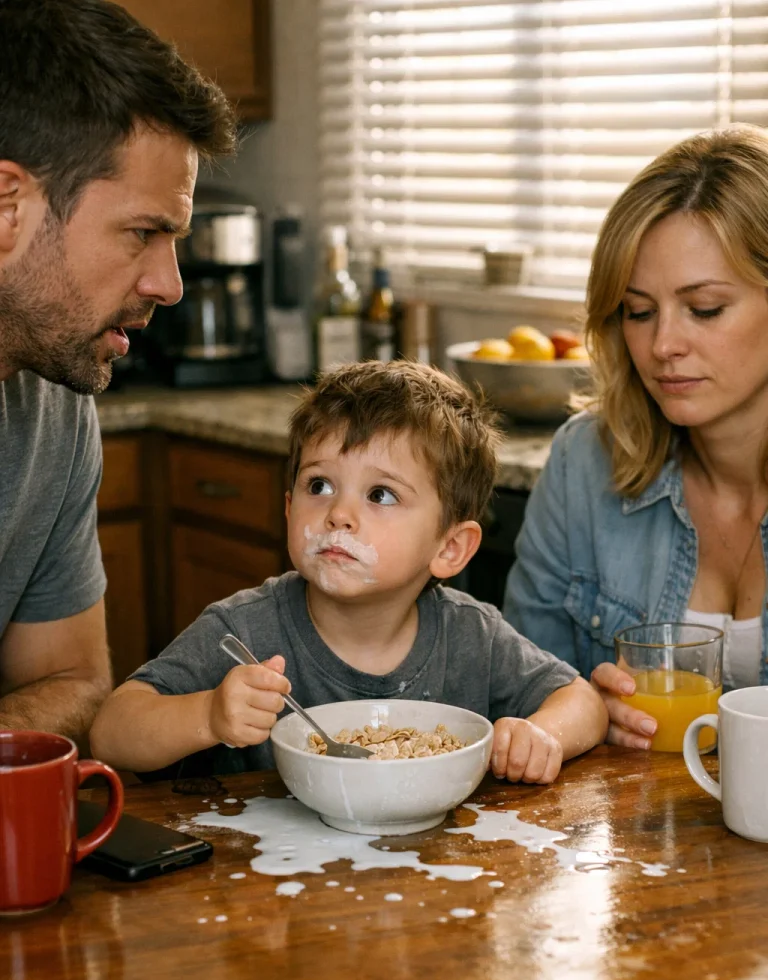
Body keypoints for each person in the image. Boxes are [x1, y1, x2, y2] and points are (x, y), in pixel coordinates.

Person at [90, 362, 608, 782]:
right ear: (289, 507)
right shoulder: (245, 631)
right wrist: (207, 716)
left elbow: (582, 700)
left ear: (451, 548)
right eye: (320, 485)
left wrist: (540, 736)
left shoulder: (472, 635)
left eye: (380, 494)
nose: (339, 513)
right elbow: (113, 732)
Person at [0, 0, 236, 744]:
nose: (171, 285)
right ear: (8, 208)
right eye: (143, 232)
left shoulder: (55, 406)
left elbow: (74, 685)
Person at [503, 123, 768, 749]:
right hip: (634, 837)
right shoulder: (584, 461)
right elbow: (514, 686)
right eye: (638, 311)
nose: (662, 345)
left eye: (704, 308)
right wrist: (583, 712)